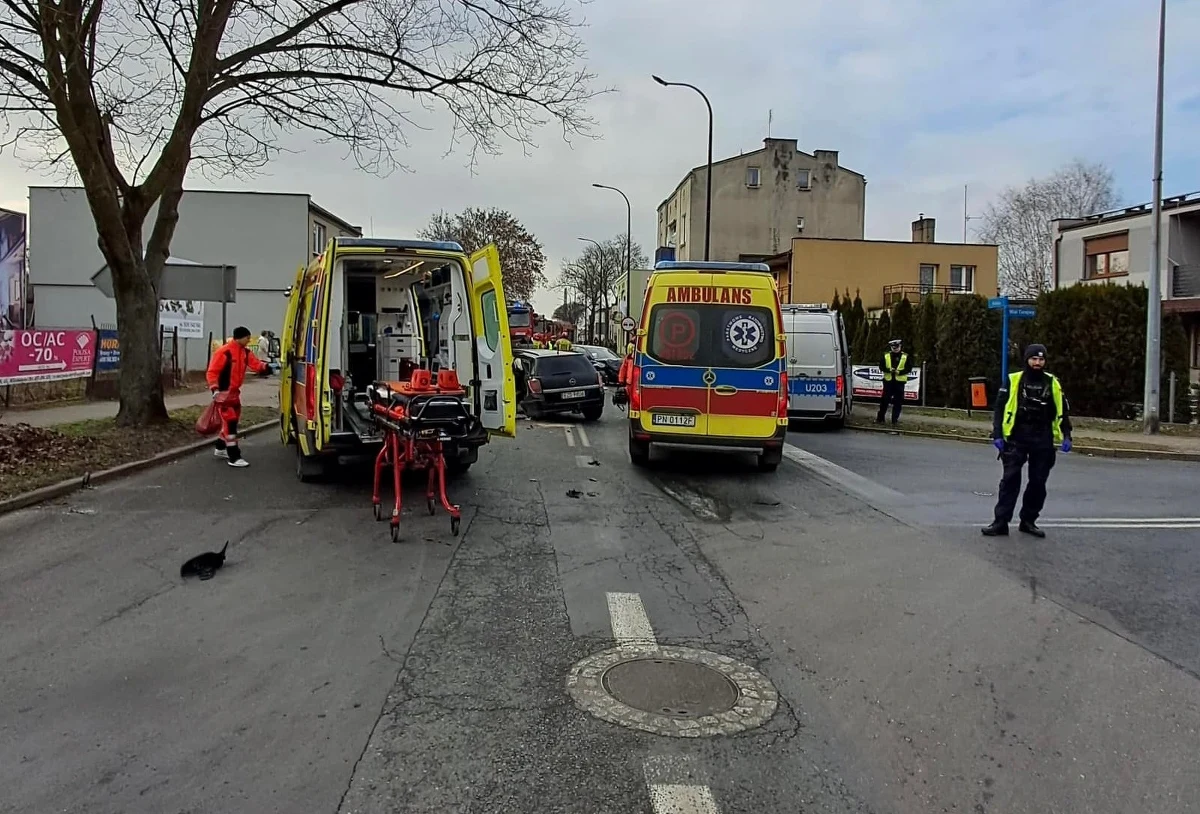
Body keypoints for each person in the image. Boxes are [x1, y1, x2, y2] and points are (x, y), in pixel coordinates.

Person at [981, 344, 1073, 538]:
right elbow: (999, 408)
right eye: (1034, 359)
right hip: (1017, 437)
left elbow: (1062, 411)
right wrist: (997, 434)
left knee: (1038, 483)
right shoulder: (1014, 380)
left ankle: (1028, 521)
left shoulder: (1052, 382)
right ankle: (1000, 522)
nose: (1037, 363)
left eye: (1041, 360)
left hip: (1043, 438)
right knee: (1010, 481)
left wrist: (1066, 435)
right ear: (1027, 360)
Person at [206, 326, 271, 468]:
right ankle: (234, 456)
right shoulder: (225, 352)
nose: (249, 340)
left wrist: (267, 367)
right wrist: (215, 389)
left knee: (232, 420)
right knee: (230, 423)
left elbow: (255, 364)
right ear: (240, 337)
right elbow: (212, 372)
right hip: (224, 393)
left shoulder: (244, 352)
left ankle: (220, 447)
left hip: (234, 393)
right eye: (247, 337)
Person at [875, 338, 911, 425]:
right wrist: (888, 370)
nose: (895, 349)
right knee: (884, 401)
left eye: (897, 347)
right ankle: (880, 419)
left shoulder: (905, 356)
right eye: (893, 347)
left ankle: (894, 420)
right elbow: (881, 367)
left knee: (898, 402)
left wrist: (900, 372)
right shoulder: (886, 355)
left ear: (900, 346)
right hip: (888, 382)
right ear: (891, 347)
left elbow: (909, 368)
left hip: (899, 382)